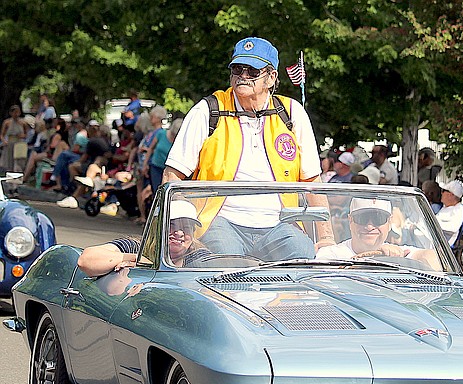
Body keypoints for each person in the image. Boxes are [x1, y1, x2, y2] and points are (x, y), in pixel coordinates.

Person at [162, 36, 334, 258]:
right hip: (218, 222)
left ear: (271, 78)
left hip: (279, 225)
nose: (243, 76)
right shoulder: (208, 110)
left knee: (302, 255)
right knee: (226, 265)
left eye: (252, 71)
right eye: (237, 69)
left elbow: (312, 183)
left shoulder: (292, 113)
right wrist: (182, 227)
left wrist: (327, 240)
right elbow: (171, 176)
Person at [78, 200, 212, 276]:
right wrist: (141, 260)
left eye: (186, 227)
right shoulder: (135, 246)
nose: (179, 233)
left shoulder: (198, 256)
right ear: (156, 227)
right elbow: (86, 260)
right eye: (172, 225)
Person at [316, 197, 440, 269]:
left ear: (389, 222)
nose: (369, 226)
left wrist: (394, 258)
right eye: (362, 218)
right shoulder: (331, 254)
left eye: (378, 219)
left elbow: (435, 260)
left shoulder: (399, 253)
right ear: (350, 220)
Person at [143, 117, 181, 193]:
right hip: (156, 168)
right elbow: (150, 148)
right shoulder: (161, 134)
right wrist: (145, 164)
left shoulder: (180, 142)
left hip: (171, 170)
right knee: (157, 192)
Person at [435, 180, 463, 247]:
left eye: (443, 191)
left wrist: (433, 224)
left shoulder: (458, 210)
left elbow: (453, 227)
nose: (441, 193)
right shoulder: (446, 207)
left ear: (451, 195)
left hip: (439, 245)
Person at [1, 105, 29, 170]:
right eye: (14, 112)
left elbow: (26, 134)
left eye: (18, 112)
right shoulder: (7, 122)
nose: (16, 114)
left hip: (19, 142)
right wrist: (4, 141)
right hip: (10, 142)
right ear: (11, 113)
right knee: (10, 161)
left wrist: (23, 136)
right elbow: (2, 135)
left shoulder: (23, 122)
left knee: (19, 160)